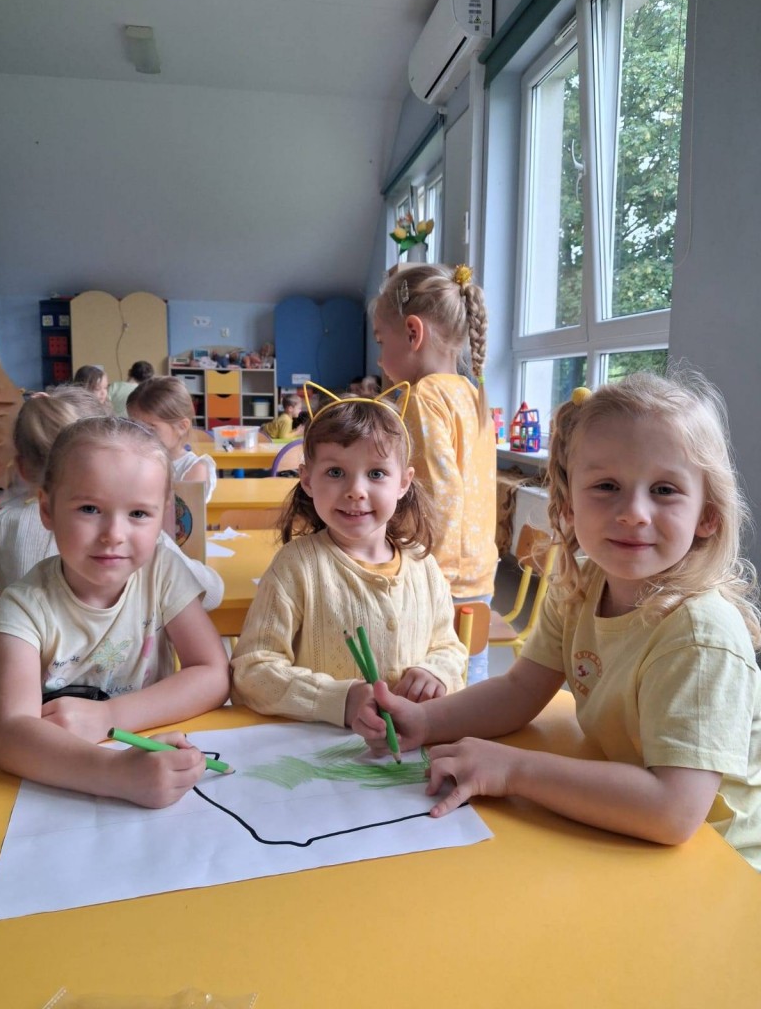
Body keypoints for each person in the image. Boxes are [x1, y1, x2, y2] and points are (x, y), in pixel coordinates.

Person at [355, 370, 761, 868]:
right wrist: (425, 720)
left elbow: (674, 811)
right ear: (568, 506)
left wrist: (513, 770)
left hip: (719, 863)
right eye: (607, 486)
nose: (633, 512)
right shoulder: (581, 585)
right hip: (621, 825)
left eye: (664, 489)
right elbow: (520, 689)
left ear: (708, 515)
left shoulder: (700, 634)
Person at [0, 416, 230, 808]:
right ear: (48, 510)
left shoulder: (162, 572)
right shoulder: (23, 606)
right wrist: (115, 773)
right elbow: (10, 735)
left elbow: (214, 673)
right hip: (61, 794)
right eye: (89, 508)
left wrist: (109, 717)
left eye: (138, 514)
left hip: (160, 766)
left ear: (163, 516)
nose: (114, 535)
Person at [230, 383, 467, 728]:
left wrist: (436, 672)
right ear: (307, 480)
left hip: (410, 748)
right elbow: (251, 671)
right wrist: (338, 700)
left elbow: (450, 648)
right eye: (336, 472)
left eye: (376, 473)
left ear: (403, 483)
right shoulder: (296, 567)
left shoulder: (425, 567)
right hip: (318, 749)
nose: (356, 491)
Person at [371, 263, 497, 684]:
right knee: (468, 681)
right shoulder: (472, 393)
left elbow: (440, 496)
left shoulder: (423, 396)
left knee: (424, 684)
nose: (379, 357)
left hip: (438, 578)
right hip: (478, 573)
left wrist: (406, 565)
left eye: (381, 340)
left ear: (412, 332)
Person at [0, 388, 224, 609]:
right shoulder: (135, 534)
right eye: (88, 509)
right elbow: (211, 594)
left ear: (21, 467)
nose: (113, 535)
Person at [127, 376, 217, 500]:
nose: (140, 435)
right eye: (135, 426)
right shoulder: (135, 460)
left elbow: (187, 512)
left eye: (150, 429)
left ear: (182, 426)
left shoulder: (194, 469)